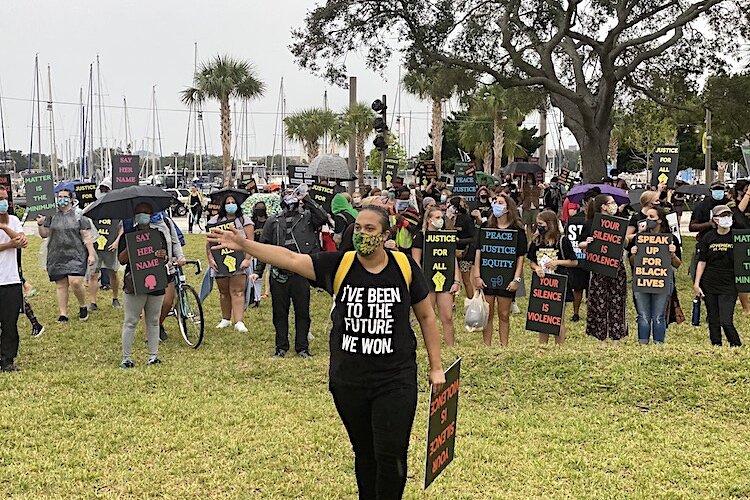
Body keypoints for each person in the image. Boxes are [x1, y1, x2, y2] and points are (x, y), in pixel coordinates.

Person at [208, 205, 444, 499]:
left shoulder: (405, 267)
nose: (361, 234)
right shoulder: (339, 265)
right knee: (364, 453)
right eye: (357, 228)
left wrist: (436, 367)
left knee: (391, 455)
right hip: (349, 380)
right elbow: (291, 258)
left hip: (395, 379)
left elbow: (426, 317)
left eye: (370, 229)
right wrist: (245, 244)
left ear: (385, 235)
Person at [253, 187, 328, 358]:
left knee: (303, 312)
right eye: (287, 195)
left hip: (300, 272)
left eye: (293, 195)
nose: (290, 199)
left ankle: (302, 347)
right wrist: (258, 271)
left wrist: (306, 198)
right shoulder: (273, 221)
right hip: (279, 274)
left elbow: (322, 217)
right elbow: (264, 248)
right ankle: (281, 347)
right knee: (280, 313)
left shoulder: (307, 217)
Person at [118, 202, 168, 367]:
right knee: (131, 321)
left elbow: (165, 256)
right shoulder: (128, 235)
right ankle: (126, 358)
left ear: (151, 214)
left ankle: (153, 356)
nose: (143, 216)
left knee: (153, 320)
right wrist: (132, 246)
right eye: (139, 213)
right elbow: (121, 259)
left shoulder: (158, 234)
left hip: (156, 281)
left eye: (146, 213)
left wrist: (163, 255)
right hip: (134, 283)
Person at [473, 194, 526, 347]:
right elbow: (478, 251)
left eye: (501, 203)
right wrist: (477, 275)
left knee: (504, 314)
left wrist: (517, 279)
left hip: (507, 277)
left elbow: (520, 257)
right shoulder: (486, 227)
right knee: (487, 314)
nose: (496, 204)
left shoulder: (517, 230)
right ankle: (487, 346)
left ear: (508, 208)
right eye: (495, 202)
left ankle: (504, 345)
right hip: (487, 276)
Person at [37, 189, 96, 322]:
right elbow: (44, 234)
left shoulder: (80, 215)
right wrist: (40, 224)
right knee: (61, 285)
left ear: (71, 199)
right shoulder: (51, 215)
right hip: (56, 254)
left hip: (76, 254)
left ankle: (82, 305)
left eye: (65, 197)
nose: (62, 199)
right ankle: (63, 313)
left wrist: (91, 254)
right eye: (59, 197)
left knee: (75, 282)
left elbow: (87, 237)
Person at [578, 195, 628, 344]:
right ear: (603, 206)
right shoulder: (591, 223)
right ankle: (601, 336)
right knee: (599, 302)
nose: (614, 205)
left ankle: (616, 337)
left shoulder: (619, 222)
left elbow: (625, 243)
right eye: (611, 203)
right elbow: (580, 244)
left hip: (616, 266)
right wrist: (587, 243)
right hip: (598, 266)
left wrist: (622, 235)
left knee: (617, 301)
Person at [628, 207, 682, 344]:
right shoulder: (640, 237)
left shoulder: (671, 239)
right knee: (643, 316)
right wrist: (634, 253)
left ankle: (658, 344)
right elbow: (633, 262)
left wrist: (672, 254)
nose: (648, 220)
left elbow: (677, 264)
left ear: (660, 220)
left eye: (651, 217)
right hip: (642, 279)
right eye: (647, 217)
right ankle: (643, 343)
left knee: (659, 316)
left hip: (662, 280)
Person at [527, 210, 578, 345]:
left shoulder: (562, 240)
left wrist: (557, 262)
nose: (539, 227)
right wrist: (537, 268)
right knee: (542, 318)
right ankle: (542, 346)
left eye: (541, 224)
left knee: (558, 318)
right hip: (542, 283)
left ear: (550, 224)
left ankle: (559, 347)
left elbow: (574, 261)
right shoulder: (537, 241)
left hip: (559, 282)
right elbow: (532, 261)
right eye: (537, 224)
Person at [412, 206, 461, 346]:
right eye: (437, 218)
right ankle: (429, 345)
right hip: (427, 281)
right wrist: (420, 283)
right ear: (429, 219)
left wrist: (456, 281)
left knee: (448, 317)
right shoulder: (420, 237)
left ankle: (450, 346)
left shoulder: (447, 236)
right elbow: (416, 262)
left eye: (442, 218)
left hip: (445, 280)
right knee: (428, 316)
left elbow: (453, 260)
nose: (440, 221)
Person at [693, 205, 741, 347]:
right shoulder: (708, 237)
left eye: (728, 216)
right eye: (722, 216)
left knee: (726, 320)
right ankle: (716, 344)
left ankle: (735, 344)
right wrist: (697, 284)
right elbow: (702, 262)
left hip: (730, 283)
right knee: (713, 318)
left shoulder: (737, 237)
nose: (726, 219)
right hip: (710, 282)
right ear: (715, 219)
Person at [207, 195, 253, 333]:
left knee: (238, 291)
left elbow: (251, 241)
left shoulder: (244, 220)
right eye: (228, 203)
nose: (231, 205)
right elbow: (209, 242)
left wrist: (248, 259)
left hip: (239, 261)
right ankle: (225, 319)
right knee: (223, 292)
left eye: (233, 202)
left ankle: (239, 321)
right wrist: (210, 259)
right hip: (220, 261)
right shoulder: (214, 221)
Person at [0, 186, 26, 371]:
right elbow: (14, 242)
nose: (3, 202)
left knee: (10, 323)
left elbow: (22, 241)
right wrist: (9, 244)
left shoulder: (14, 220)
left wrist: (4, 226)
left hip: (11, 280)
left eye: (5, 197)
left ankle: (7, 360)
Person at [153, 212, 188, 340]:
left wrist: (180, 257)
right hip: (149, 269)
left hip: (168, 267)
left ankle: (156, 325)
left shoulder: (166, 222)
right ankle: (151, 331)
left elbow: (175, 242)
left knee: (167, 302)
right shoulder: (139, 224)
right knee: (151, 303)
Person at [689, 181, 733, 278]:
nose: (718, 192)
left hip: (727, 242)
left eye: (721, 190)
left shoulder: (729, 204)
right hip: (706, 242)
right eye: (716, 190)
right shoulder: (702, 205)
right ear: (711, 191)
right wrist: (708, 224)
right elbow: (692, 227)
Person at [87, 219, 123, 311]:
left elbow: (122, 227)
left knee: (113, 273)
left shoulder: (114, 211)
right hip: (95, 247)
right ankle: (93, 302)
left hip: (111, 246)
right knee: (93, 274)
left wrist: (117, 241)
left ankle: (115, 299)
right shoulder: (93, 210)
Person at [448, 197, 476, 298]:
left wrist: (459, 240)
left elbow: (473, 237)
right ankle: (452, 302)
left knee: (466, 280)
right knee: (452, 279)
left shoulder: (467, 219)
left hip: (465, 252)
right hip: (451, 252)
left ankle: (471, 301)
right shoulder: (449, 219)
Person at [520, 173, 542, 244]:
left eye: (530, 178)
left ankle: (533, 234)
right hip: (527, 206)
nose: (529, 180)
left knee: (536, 222)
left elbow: (539, 194)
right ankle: (529, 239)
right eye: (528, 178)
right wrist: (522, 192)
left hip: (535, 206)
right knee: (528, 223)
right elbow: (522, 197)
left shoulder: (537, 187)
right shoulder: (524, 187)